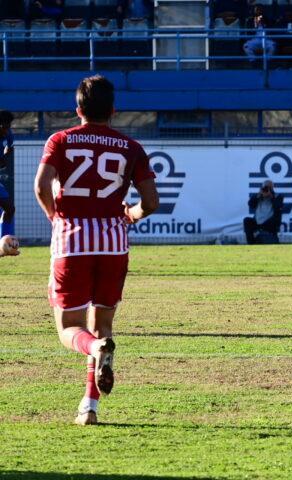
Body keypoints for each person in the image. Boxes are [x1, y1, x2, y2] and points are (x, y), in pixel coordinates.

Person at [34, 75, 159, 426]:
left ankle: (93, 350)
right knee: (102, 325)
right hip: (113, 243)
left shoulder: (60, 140)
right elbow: (151, 202)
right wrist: (130, 215)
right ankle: (89, 406)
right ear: (113, 111)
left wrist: (55, 218)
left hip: (72, 241)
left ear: (78, 110)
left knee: (70, 329)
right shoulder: (130, 147)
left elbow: (41, 186)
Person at [244, 180, 283, 244]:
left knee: (274, 220)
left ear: (272, 188)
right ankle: (251, 243)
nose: (266, 189)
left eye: (269, 188)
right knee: (246, 221)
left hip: (269, 223)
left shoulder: (277, 196)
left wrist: (271, 197)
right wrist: (258, 195)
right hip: (257, 222)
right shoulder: (258, 196)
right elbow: (250, 205)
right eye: (265, 187)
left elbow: (278, 207)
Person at [0, 110, 15, 238]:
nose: (7, 131)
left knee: (9, 209)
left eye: (9, 127)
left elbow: (9, 148)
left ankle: (3, 242)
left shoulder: (8, 134)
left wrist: (5, 156)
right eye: (5, 127)